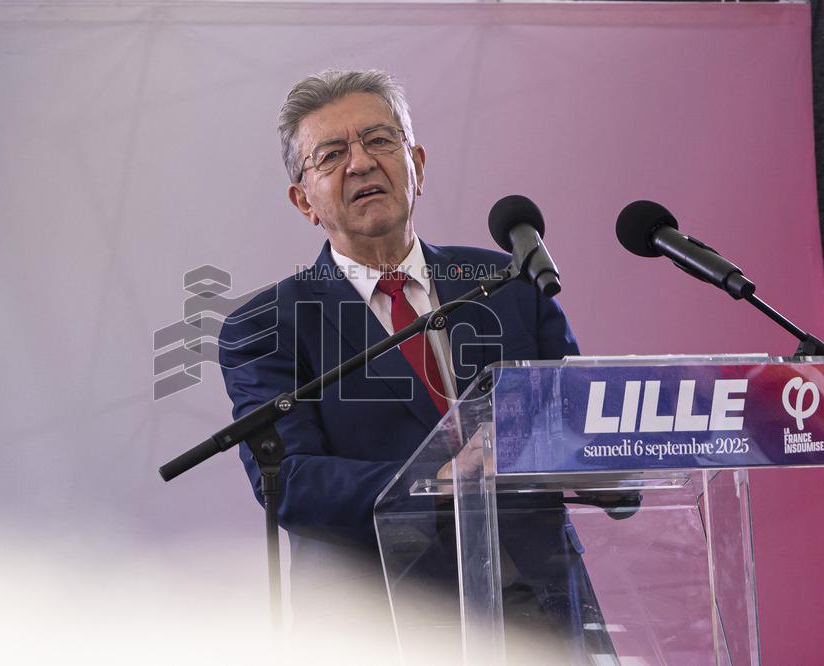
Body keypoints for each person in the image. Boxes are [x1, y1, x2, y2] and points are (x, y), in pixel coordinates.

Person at [219, 69, 613, 661]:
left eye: (379, 140)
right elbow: (290, 481)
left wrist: (611, 460)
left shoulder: (508, 283)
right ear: (304, 201)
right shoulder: (267, 325)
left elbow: (579, 418)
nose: (361, 163)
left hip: (538, 613)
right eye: (332, 155)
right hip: (378, 625)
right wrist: (437, 481)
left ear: (417, 166)